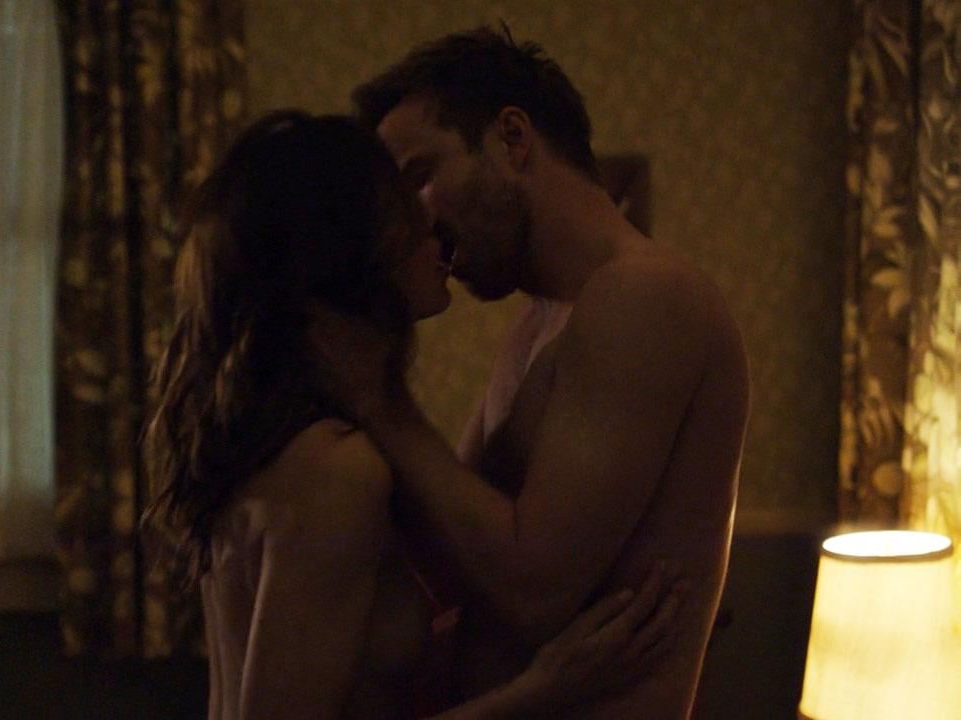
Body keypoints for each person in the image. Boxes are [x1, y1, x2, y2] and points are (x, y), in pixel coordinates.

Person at [143, 111, 680, 719]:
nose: (432, 222)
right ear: (346, 251)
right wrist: (547, 689)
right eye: (402, 208)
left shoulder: (294, 443)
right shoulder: (334, 469)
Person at [307, 27, 751, 718]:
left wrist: (379, 399)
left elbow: (533, 589)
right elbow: (455, 562)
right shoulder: (539, 323)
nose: (412, 222)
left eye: (419, 178)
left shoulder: (645, 296)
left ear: (512, 138)